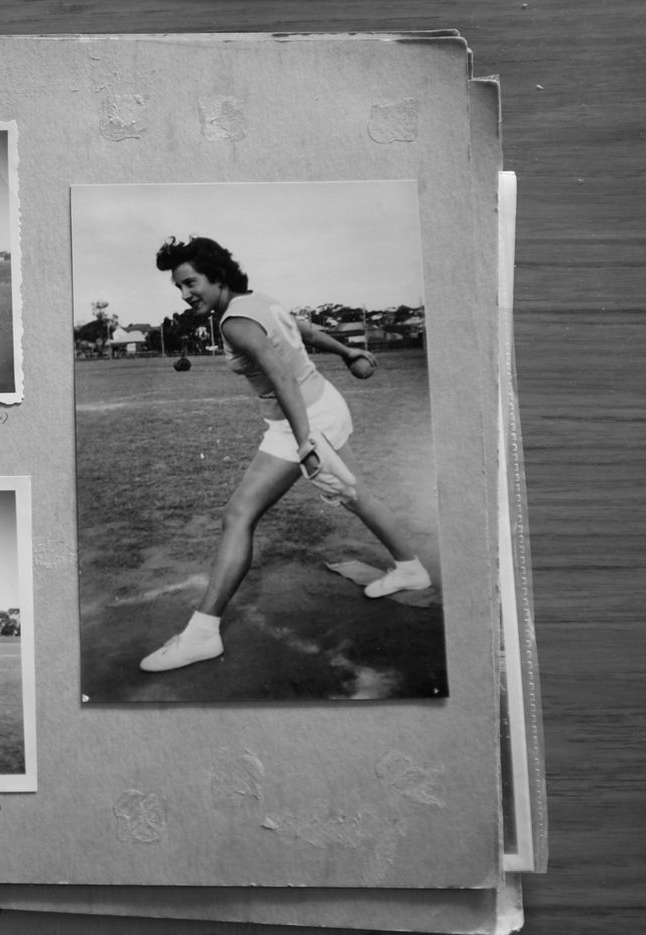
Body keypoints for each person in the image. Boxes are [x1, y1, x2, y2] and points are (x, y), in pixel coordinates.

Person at [140, 236, 431, 673]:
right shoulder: (258, 301)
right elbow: (305, 331)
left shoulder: (235, 322)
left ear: (217, 275)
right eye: (179, 288)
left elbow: (281, 378)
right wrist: (348, 350)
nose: (185, 294)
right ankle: (410, 568)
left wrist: (305, 443)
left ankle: (201, 635)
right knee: (356, 495)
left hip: (304, 416)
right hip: (321, 405)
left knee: (239, 514)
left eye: (191, 282)